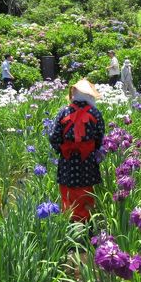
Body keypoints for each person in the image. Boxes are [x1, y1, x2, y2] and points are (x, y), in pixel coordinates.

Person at [48, 79, 105, 223]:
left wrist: (62, 151)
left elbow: (54, 137)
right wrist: (92, 150)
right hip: (87, 161)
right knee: (86, 190)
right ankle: (86, 224)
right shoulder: (96, 113)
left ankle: (70, 222)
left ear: (74, 94)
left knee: (68, 191)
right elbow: (100, 137)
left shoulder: (63, 112)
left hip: (68, 161)